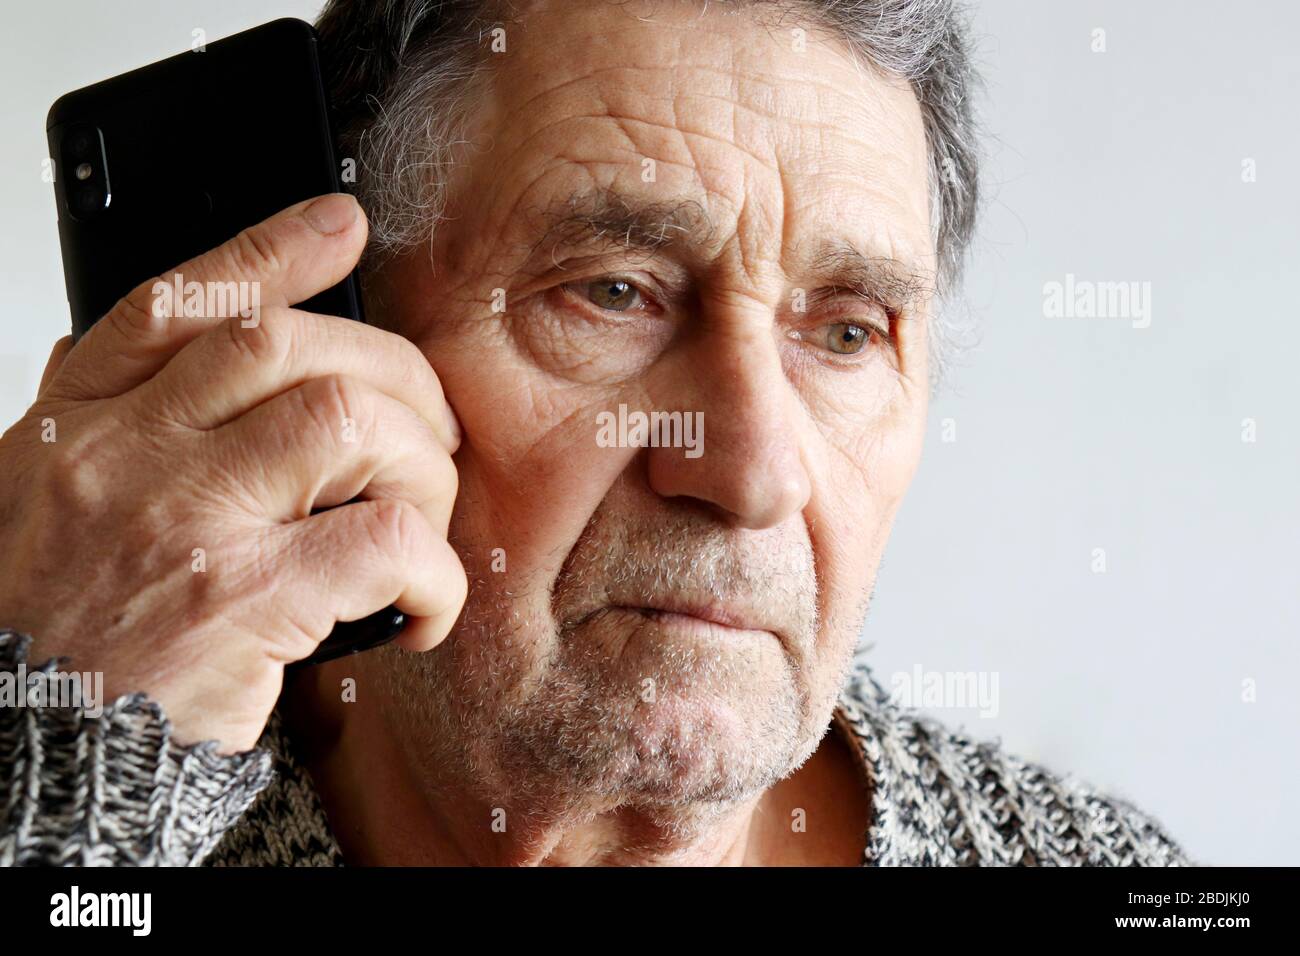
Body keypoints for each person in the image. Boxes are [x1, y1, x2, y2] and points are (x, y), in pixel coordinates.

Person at [0, 0, 1189, 866]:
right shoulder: (80, 808)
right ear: (331, 330)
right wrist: (73, 776)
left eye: (844, 333)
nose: (755, 473)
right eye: (612, 291)